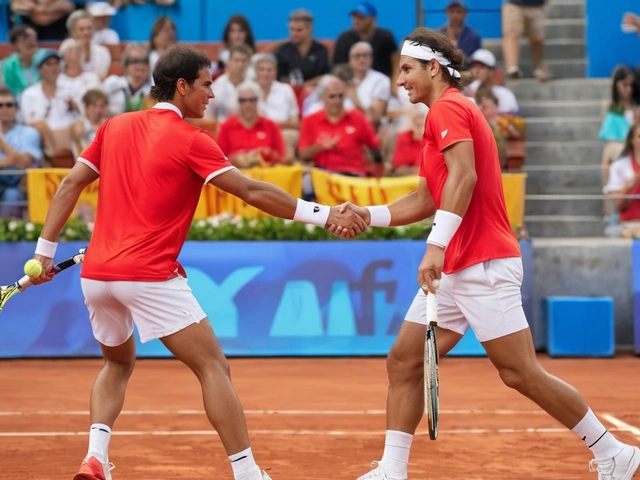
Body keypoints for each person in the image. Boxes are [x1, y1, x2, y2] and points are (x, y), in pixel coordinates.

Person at [27, 45, 366, 480]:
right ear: (182, 86)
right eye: (206, 84)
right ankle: (247, 474)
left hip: (96, 277)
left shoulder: (114, 126)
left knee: (116, 363)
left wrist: (45, 252)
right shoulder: (191, 140)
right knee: (213, 367)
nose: (211, 93)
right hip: (147, 275)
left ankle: (95, 458)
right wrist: (324, 214)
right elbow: (252, 192)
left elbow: (71, 183)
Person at [328, 28, 640, 480]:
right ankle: (392, 471)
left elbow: (465, 178)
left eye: (407, 70)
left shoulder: (449, 107)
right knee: (404, 360)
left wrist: (434, 246)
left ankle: (613, 452)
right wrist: (367, 215)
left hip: (483, 263)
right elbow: (424, 198)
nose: (400, 81)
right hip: (456, 265)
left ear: (433, 68)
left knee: (520, 373)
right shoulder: (441, 116)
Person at [216, 80, 286, 168]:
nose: (248, 104)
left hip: (265, 175)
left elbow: (281, 160)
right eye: (243, 100)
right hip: (236, 176)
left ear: (258, 101)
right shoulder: (226, 126)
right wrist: (236, 159)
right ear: (238, 102)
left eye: (252, 100)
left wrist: (266, 154)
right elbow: (219, 161)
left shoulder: (271, 126)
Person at [0, 86, 42, 218]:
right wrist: (11, 160)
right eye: (0, 105)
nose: (4, 109)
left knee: (11, 195)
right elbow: (18, 159)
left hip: (17, 183)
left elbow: (25, 163)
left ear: (16, 108)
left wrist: (1, 143)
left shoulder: (29, 133)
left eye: (9, 105)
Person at [333, 1, 398, 80]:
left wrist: (394, 83)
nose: (356, 21)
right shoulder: (344, 39)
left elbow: (395, 62)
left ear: (373, 19)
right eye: (354, 17)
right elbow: (338, 67)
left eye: (361, 17)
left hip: (382, 84)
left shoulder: (385, 37)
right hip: (351, 83)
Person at [599, 65, 640, 187]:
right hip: (615, 153)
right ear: (617, 85)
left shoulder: (636, 108)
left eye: (630, 85)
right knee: (611, 150)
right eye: (624, 85)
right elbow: (607, 134)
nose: (628, 89)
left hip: (633, 152)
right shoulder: (609, 107)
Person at [274, 9, 330, 89]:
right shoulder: (282, 50)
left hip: (314, 91)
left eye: (299, 30)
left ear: (310, 28)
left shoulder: (320, 50)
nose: (293, 34)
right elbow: (276, 77)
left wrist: (305, 86)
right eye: (291, 29)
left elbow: (325, 76)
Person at [604, 122, 640, 238]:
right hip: (628, 225)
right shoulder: (619, 167)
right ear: (632, 140)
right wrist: (629, 187)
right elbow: (616, 206)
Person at [58, 9, 112, 81]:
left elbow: (103, 77)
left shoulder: (102, 51)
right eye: (81, 29)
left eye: (89, 28)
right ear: (73, 32)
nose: (86, 32)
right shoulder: (67, 46)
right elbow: (67, 73)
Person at [502, 0, 548, 82]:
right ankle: (512, 68)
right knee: (511, 33)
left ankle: (537, 68)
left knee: (537, 37)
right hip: (513, 3)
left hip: (537, 4)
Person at [1, 24, 41, 99]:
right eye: (25, 38)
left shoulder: (44, 60)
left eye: (33, 38)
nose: (31, 42)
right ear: (15, 44)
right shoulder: (8, 65)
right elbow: (8, 91)